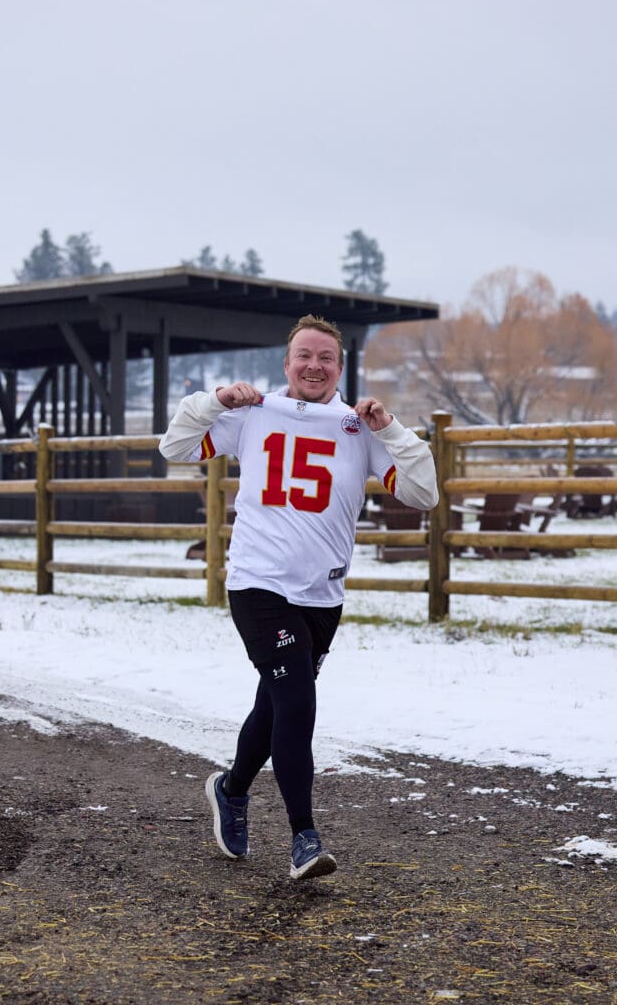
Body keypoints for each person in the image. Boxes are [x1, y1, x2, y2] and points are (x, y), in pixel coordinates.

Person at [159, 314, 438, 881]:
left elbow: (423, 493)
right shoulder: (253, 413)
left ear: (340, 367)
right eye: (303, 356)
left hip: (322, 596)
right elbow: (176, 446)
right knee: (297, 702)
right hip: (258, 586)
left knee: (275, 703)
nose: (314, 365)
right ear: (286, 364)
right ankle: (303, 838)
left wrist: (393, 430)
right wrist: (214, 400)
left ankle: (231, 788)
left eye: (326, 358)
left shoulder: (358, 428)